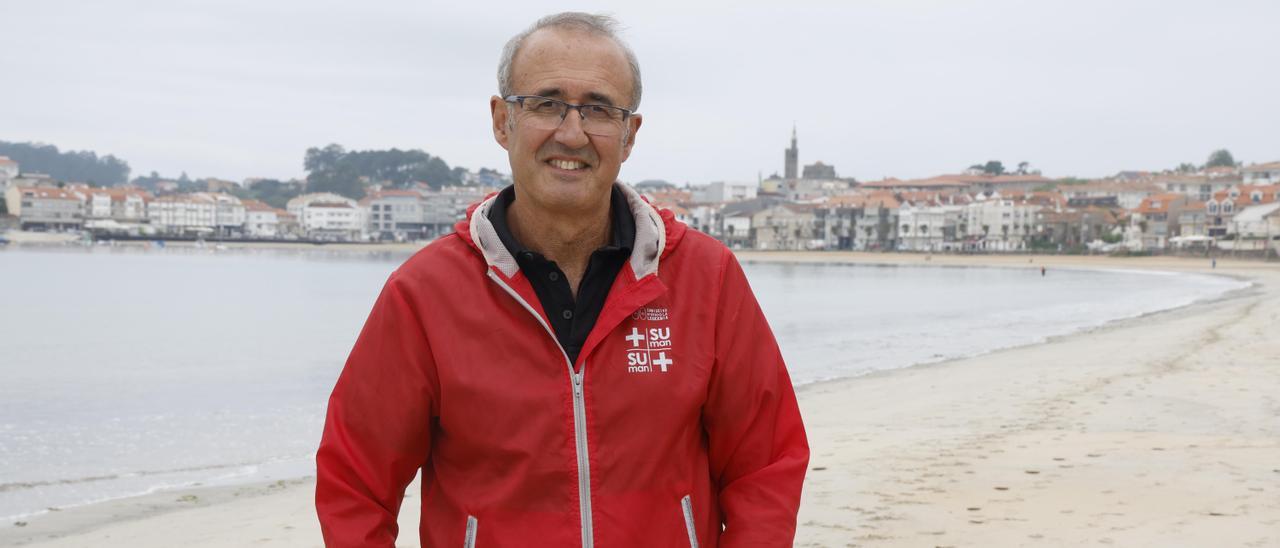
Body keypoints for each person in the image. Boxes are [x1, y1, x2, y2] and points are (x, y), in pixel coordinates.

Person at [315, 12, 809, 548]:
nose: (571, 134)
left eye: (598, 108)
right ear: (502, 121)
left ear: (628, 134)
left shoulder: (706, 279)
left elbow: (767, 463)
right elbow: (355, 482)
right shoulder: (425, 293)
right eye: (546, 103)